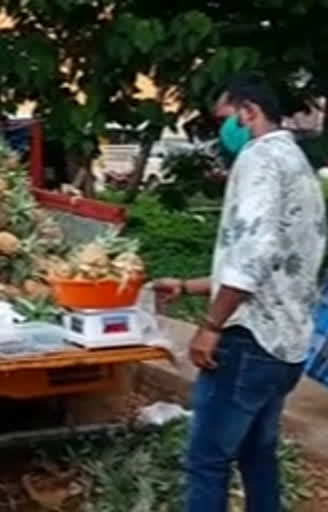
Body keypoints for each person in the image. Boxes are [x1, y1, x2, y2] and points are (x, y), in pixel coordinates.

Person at [155, 73, 326, 512]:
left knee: (207, 460)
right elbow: (273, 258)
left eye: (225, 119)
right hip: (285, 345)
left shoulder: (259, 159)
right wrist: (190, 286)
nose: (222, 130)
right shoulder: (296, 162)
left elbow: (254, 249)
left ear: (249, 111)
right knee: (256, 454)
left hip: (248, 341)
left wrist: (210, 325)